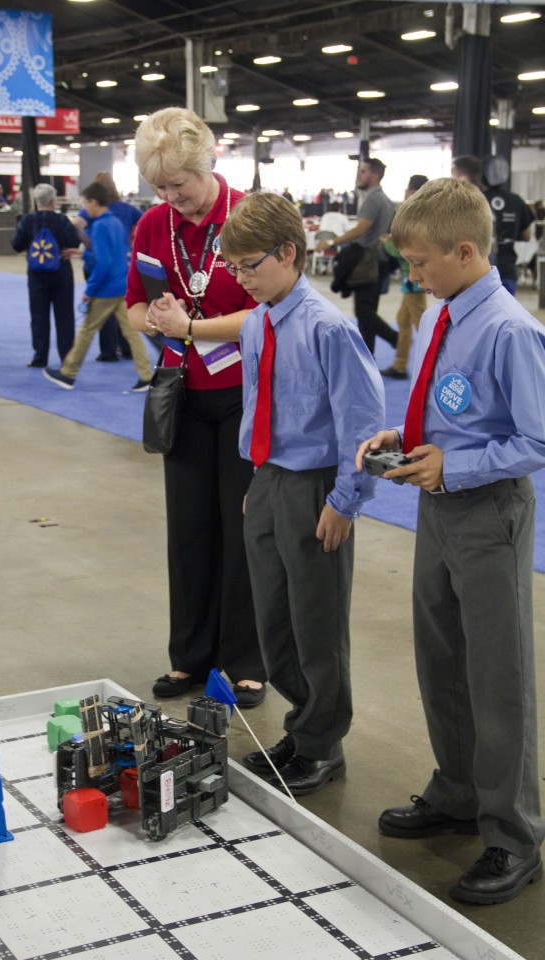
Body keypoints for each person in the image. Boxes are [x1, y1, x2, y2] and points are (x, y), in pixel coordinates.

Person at [356, 177, 545, 905]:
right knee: (441, 657)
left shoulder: (508, 328)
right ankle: (459, 791)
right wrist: (404, 438)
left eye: (423, 264)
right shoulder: (447, 312)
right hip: (436, 504)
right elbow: (445, 403)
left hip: (486, 510)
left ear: (466, 252)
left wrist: (456, 465)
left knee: (496, 676)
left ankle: (514, 835)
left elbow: (535, 437)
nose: (416, 276)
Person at [219, 192, 384, 793]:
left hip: (316, 487)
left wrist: (345, 500)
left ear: (288, 253)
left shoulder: (330, 329)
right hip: (269, 481)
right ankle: (303, 723)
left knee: (316, 623)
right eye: (232, 268)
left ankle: (323, 744)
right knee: (274, 621)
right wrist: (257, 480)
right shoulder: (259, 322)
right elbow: (260, 405)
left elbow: (362, 425)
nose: (241, 279)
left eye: (250, 265)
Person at [126, 106, 267, 707]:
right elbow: (134, 307)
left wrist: (194, 327)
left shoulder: (251, 218)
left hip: (246, 397)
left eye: (177, 185)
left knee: (242, 531)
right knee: (187, 533)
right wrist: (163, 324)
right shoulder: (152, 226)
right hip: (181, 396)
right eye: (158, 187)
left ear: (207, 164)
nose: (168, 197)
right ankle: (189, 656)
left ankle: (244, 661)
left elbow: (269, 315)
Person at [43, 181, 151, 391]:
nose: (85, 207)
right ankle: (147, 375)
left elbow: (103, 263)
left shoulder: (101, 226)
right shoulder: (115, 223)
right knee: (131, 333)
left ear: (93, 201)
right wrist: (84, 254)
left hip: (105, 290)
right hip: (122, 284)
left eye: (86, 202)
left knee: (86, 331)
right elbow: (114, 254)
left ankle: (68, 373)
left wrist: (90, 290)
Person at [72, 172, 143, 362]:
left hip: (99, 263)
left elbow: (76, 224)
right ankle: (127, 350)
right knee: (123, 309)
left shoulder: (93, 211)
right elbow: (144, 221)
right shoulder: (126, 209)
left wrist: (87, 244)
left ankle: (108, 351)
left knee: (102, 309)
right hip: (123, 263)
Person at [331, 158, 398, 355]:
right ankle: (367, 354)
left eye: (363, 171)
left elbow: (360, 230)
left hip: (368, 262)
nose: (359, 175)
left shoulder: (372, 199)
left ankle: (395, 338)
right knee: (367, 310)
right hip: (379, 261)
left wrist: (333, 242)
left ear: (374, 175)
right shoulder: (385, 200)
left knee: (364, 311)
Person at [11, 183, 80, 368]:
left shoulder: (27, 220)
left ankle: (40, 356)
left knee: (39, 316)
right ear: (52, 200)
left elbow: (16, 245)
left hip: (36, 276)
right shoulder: (62, 220)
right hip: (61, 274)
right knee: (64, 316)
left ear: (36, 201)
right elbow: (74, 241)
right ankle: (67, 358)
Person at [452, 154, 535, 296]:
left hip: (480, 272)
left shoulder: (475, 200)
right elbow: (527, 236)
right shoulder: (516, 201)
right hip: (508, 268)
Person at [379, 174, 429, 379]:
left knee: (421, 323)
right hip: (413, 276)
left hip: (413, 277)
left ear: (414, 191)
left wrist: (387, 243)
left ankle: (433, 363)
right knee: (404, 319)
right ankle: (400, 364)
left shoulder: (414, 215)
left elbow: (404, 247)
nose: (405, 193)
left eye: (408, 190)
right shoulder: (424, 214)